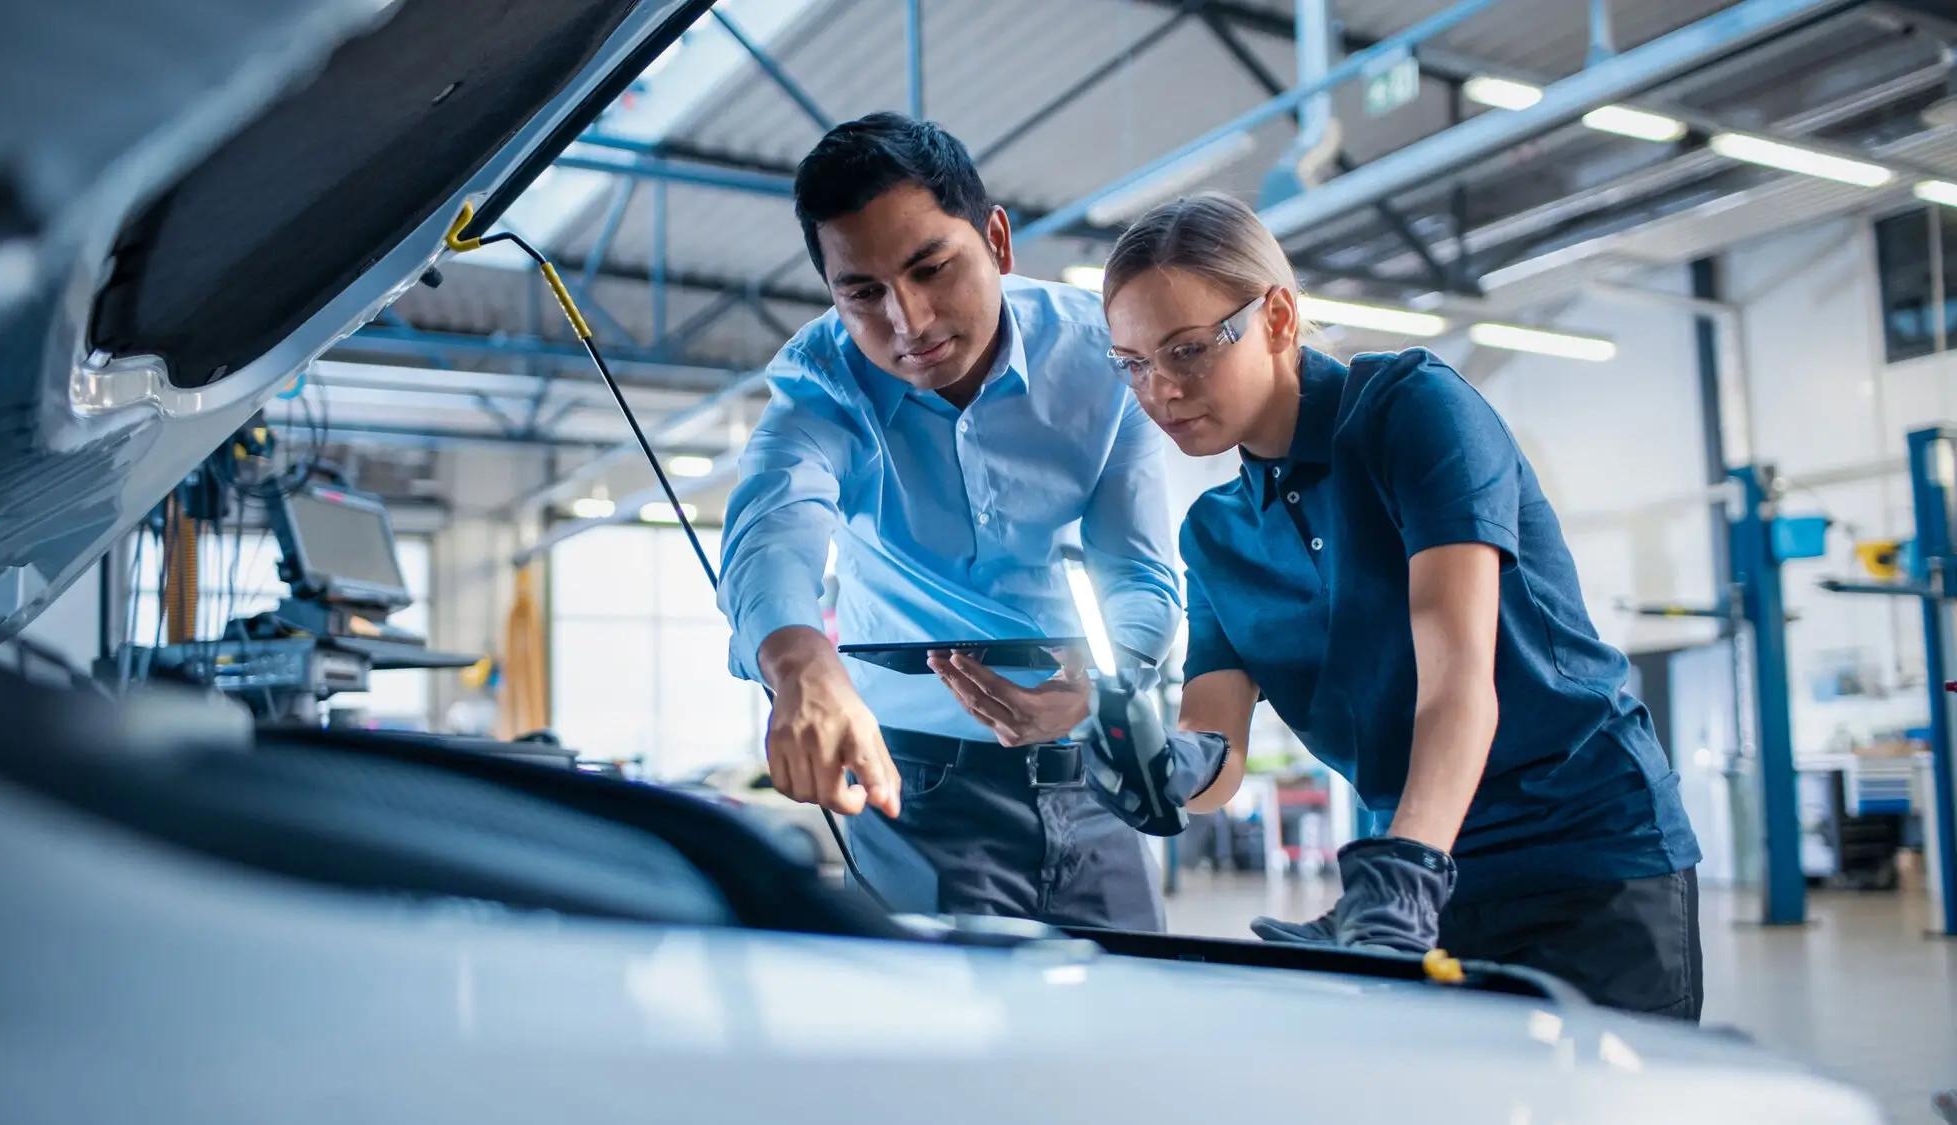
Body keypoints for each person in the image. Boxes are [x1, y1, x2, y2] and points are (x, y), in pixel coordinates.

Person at [971, 191, 1702, 1018]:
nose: (1160, 390)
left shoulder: (1412, 412)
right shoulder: (1214, 535)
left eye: (1187, 349)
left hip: (1584, 854)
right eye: (1132, 364)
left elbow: (1458, 678)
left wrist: (1403, 870)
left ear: (1278, 317)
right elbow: (1221, 749)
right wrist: (1159, 764)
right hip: (1423, 880)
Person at [716, 112, 1182, 930]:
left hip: (1095, 770)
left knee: (1132, 1024)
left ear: (997, 239)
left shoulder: (1104, 358)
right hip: (915, 792)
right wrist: (798, 660)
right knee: (943, 1034)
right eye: (861, 294)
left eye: (932, 268)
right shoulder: (825, 378)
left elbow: (1141, 575)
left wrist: (1101, 682)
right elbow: (774, 520)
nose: (909, 322)